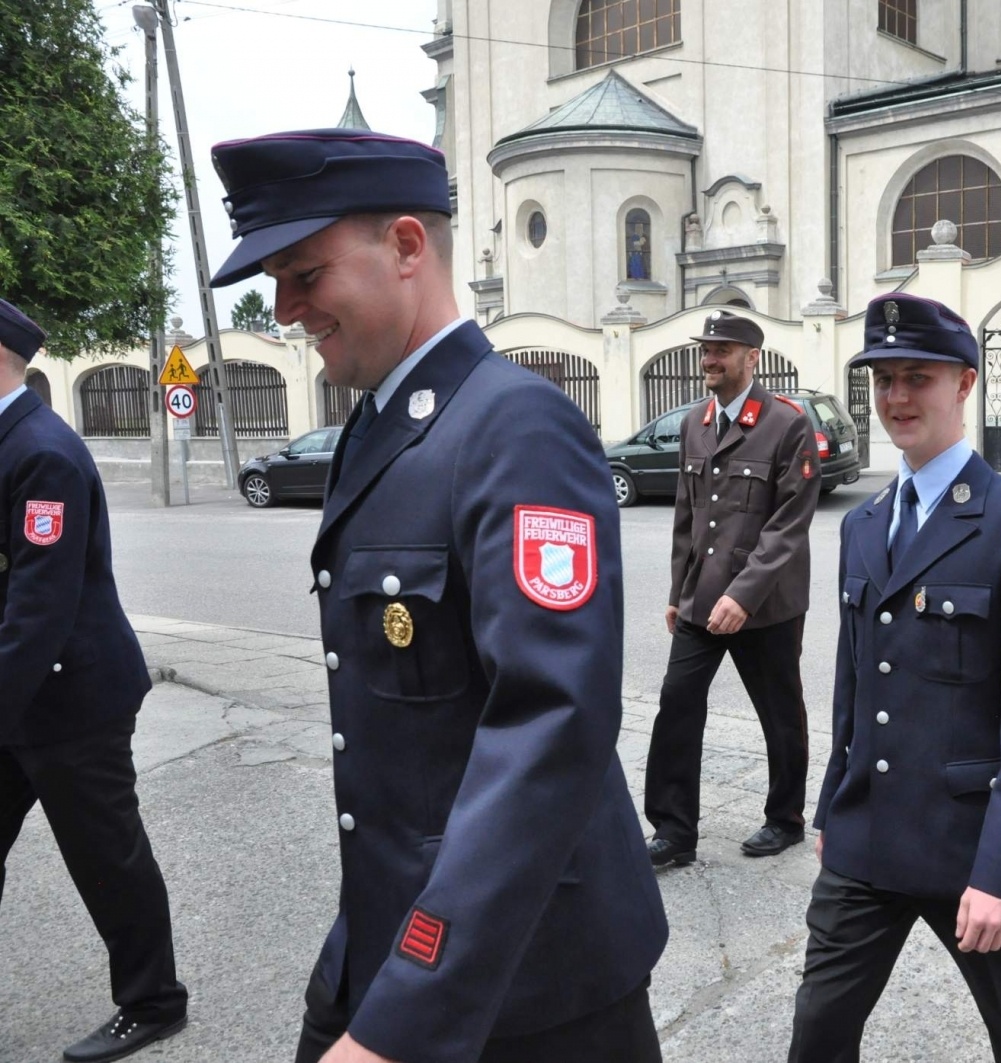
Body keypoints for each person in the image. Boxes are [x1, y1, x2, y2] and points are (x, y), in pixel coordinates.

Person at [208, 129, 667, 1063]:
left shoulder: (515, 426)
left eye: (304, 273)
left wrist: (409, 1004)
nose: (286, 306)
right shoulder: (376, 427)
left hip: (529, 974)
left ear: (408, 247)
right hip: (392, 927)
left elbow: (549, 726)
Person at [790, 294, 1001, 1063]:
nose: (895, 397)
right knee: (817, 1029)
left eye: (917, 377)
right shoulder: (862, 523)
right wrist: (831, 805)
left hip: (969, 847)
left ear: (965, 384)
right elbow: (854, 686)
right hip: (867, 836)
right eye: (882, 379)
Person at [0, 300, 189, 1063]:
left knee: (107, 855)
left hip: (72, 696)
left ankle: (153, 1001)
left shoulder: (42, 451)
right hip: (16, 695)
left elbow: (39, 607)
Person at [644, 310, 821, 866]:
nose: (710, 359)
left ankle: (785, 818)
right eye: (706, 349)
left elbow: (790, 522)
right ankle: (674, 832)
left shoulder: (786, 424)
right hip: (702, 596)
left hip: (765, 604)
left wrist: (743, 595)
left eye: (722, 349)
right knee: (676, 703)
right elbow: (686, 516)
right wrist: (679, 591)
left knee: (780, 712)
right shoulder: (696, 422)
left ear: (753, 358)